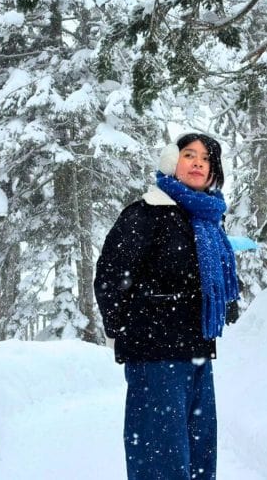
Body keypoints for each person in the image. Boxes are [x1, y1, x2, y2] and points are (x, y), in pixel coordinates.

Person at [94, 132, 240, 480]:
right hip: (156, 356)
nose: (198, 163)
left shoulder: (205, 220)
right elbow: (111, 277)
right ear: (171, 161)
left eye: (206, 158)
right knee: (160, 461)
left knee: (197, 458)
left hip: (197, 353)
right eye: (189, 154)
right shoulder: (147, 212)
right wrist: (129, 332)